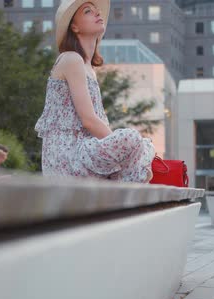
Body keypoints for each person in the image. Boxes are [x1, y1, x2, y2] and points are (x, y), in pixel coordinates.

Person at [34, 0, 155, 183]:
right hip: (68, 156)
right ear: (74, 26)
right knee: (131, 139)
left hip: (85, 152)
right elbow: (89, 120)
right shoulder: (71, 59)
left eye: (97, 10)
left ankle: (122, 179)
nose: (98, 14)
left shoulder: (89, 68)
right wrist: (123, 151)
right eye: (88, 11)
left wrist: (123, 151)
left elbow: (99, 122)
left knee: (145, 144)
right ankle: (126, 181)